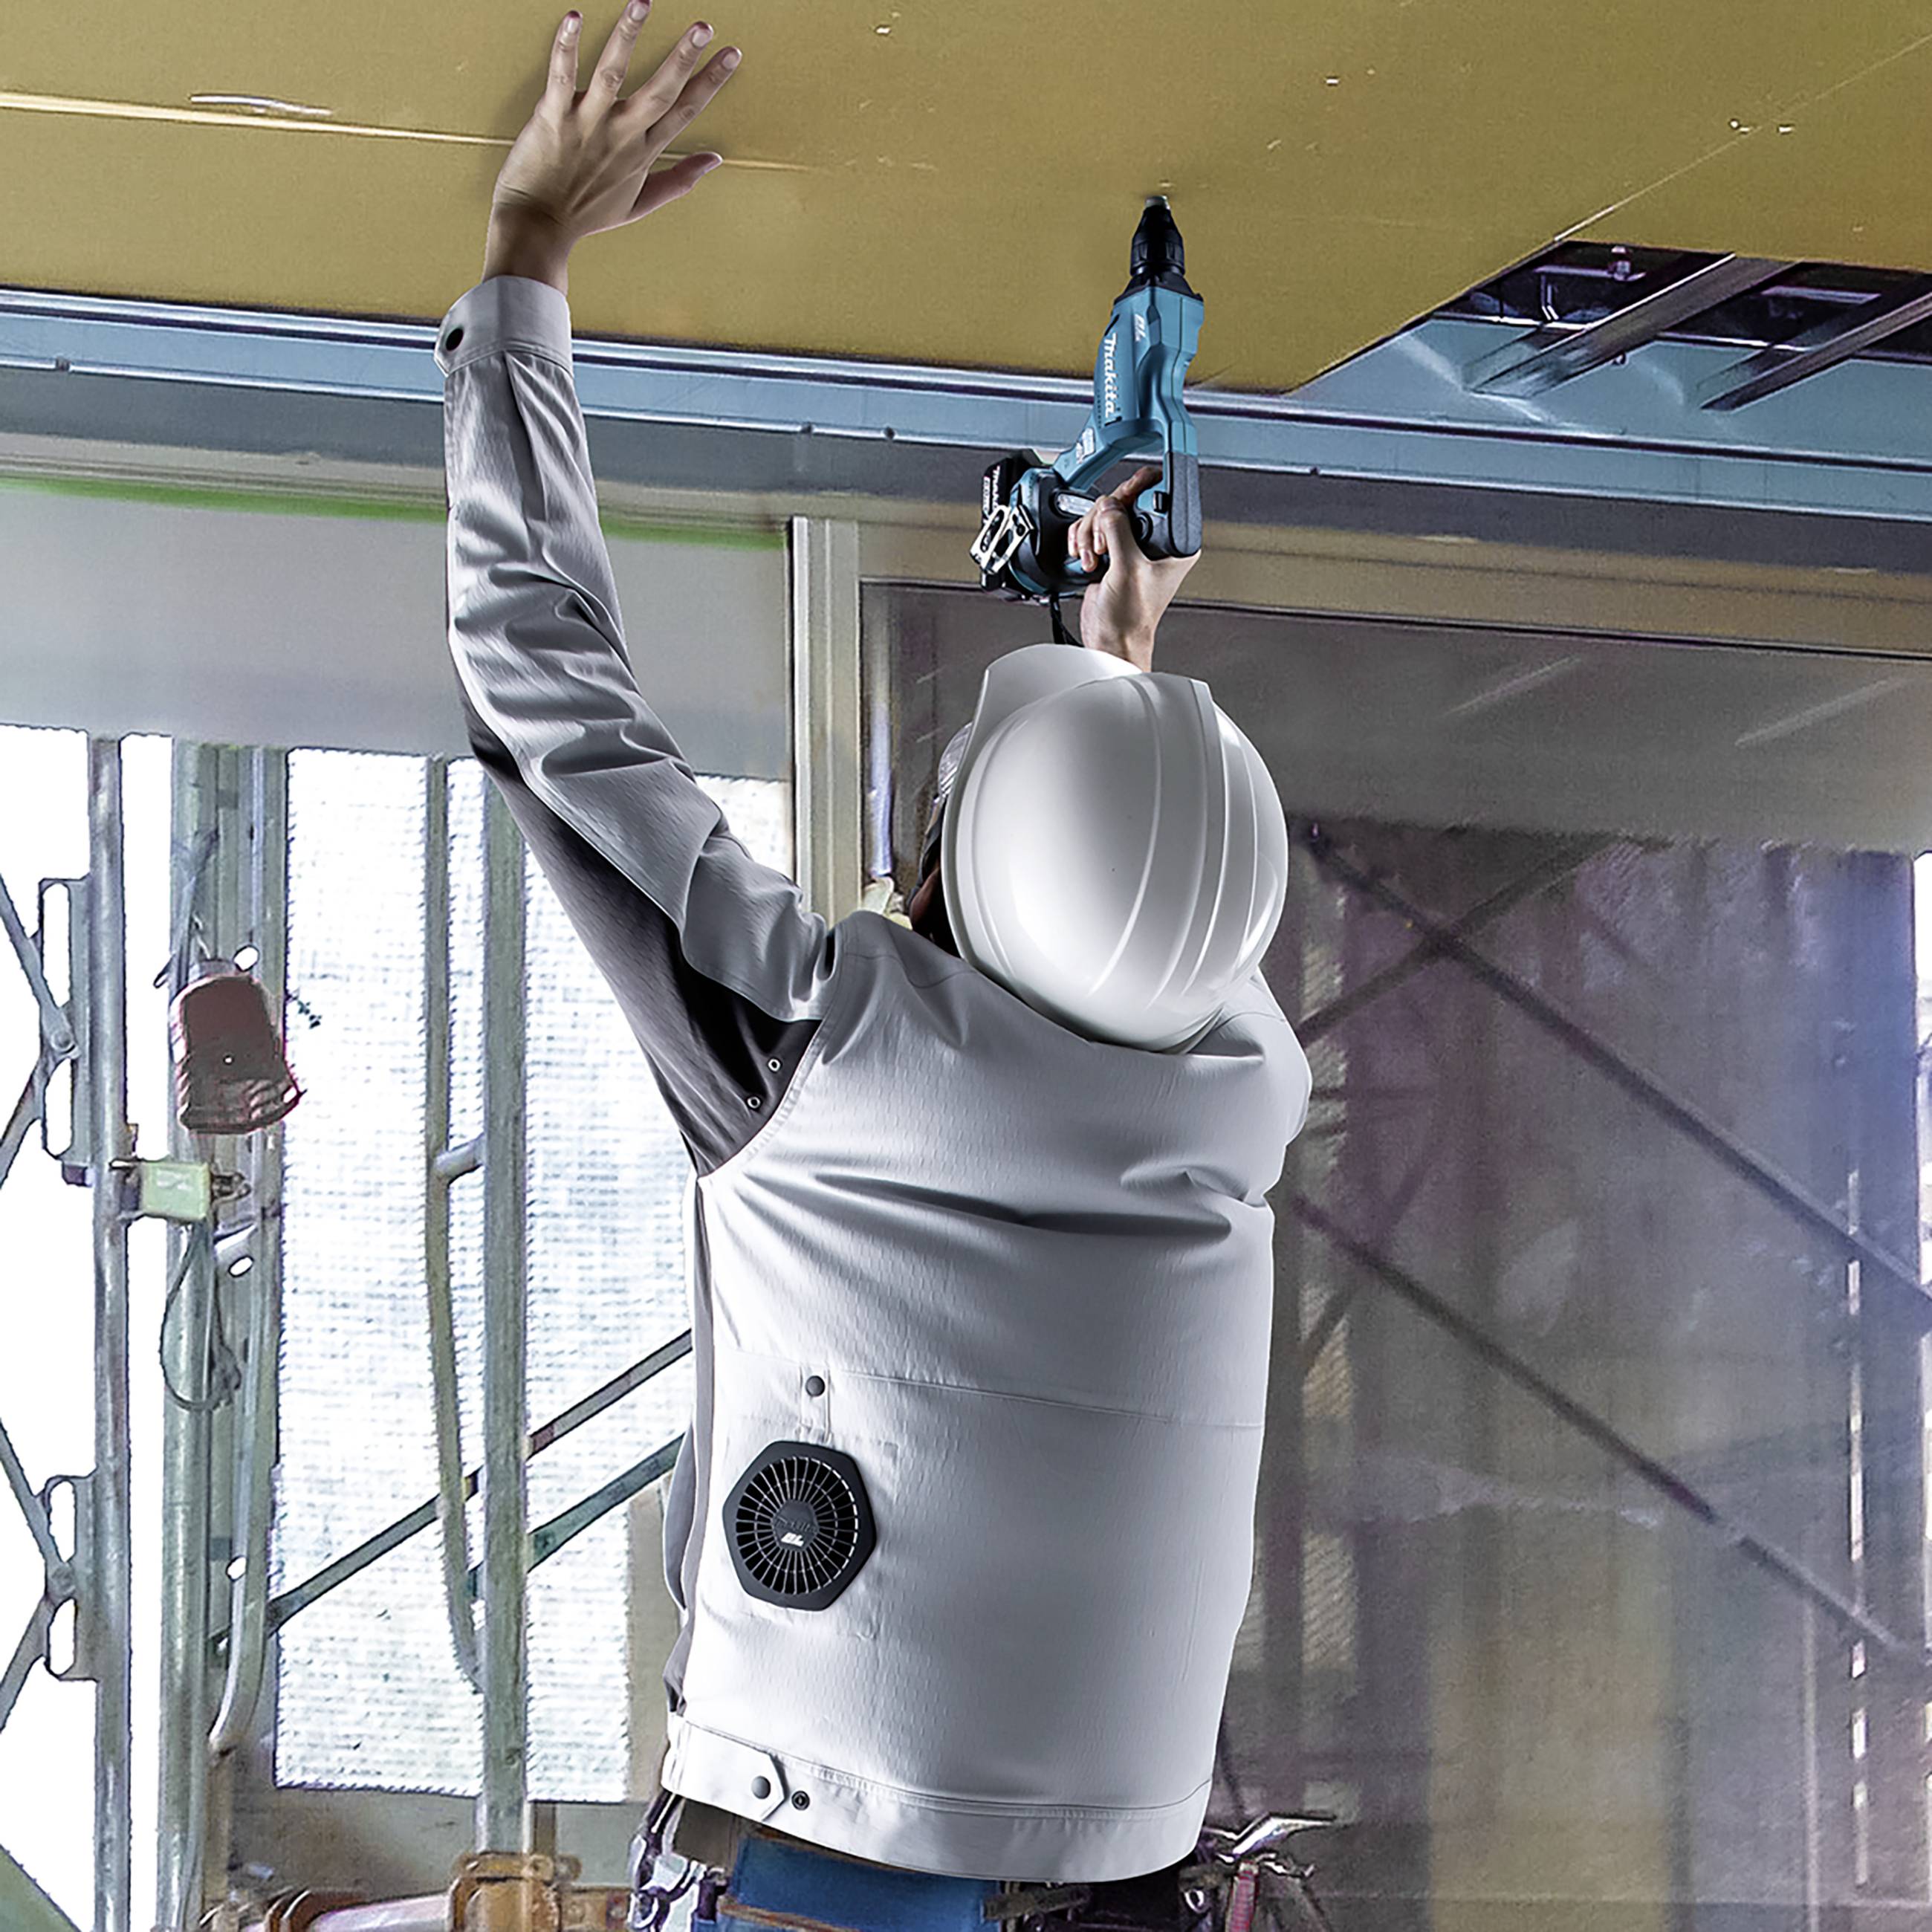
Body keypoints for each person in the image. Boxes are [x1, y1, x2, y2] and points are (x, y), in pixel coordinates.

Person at [433, 10, 1312, 1930]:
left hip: (1089, 1874)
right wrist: (523, 252)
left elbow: (547, 691)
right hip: (839, 1873)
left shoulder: (1178, 1093)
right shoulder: (1154, 1108)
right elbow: (540, 687)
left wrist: (1118, 680)